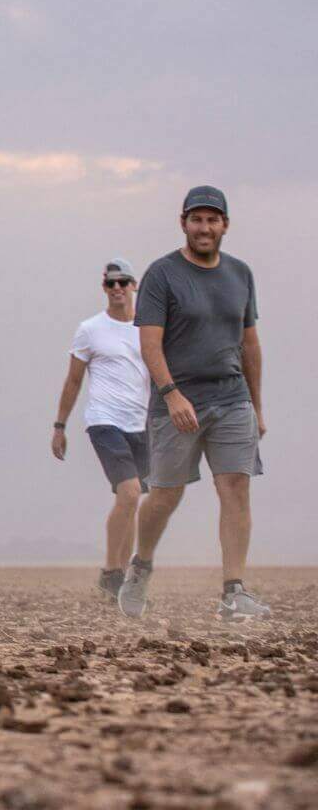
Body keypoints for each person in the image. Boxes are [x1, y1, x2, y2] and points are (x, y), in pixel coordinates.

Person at [120, 187, 269, 621]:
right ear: (183, 222)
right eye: (197, 219)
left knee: (236, 488)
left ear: (225, 224)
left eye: (213, 220)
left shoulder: (241, 274)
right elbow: (150, 343)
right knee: (165, 496)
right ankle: (140, 566)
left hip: (232, 398)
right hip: (176, 404)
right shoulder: (162, 274)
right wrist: (171, 394)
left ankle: (234, 593)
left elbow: (250, 344)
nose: (205, 228)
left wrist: (257, 408)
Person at [49, 259, 149, 603]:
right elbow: (73, 380)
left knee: (131, 500)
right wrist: (60, 426)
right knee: (131, 492)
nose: (117, 288)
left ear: (134, 285)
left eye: (123, 282)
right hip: (104, 421)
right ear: (104, 288)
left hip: (141, 424)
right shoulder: (90, 329)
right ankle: (111, 571)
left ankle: (121, 582)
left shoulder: (148, 328)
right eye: (111, 284)